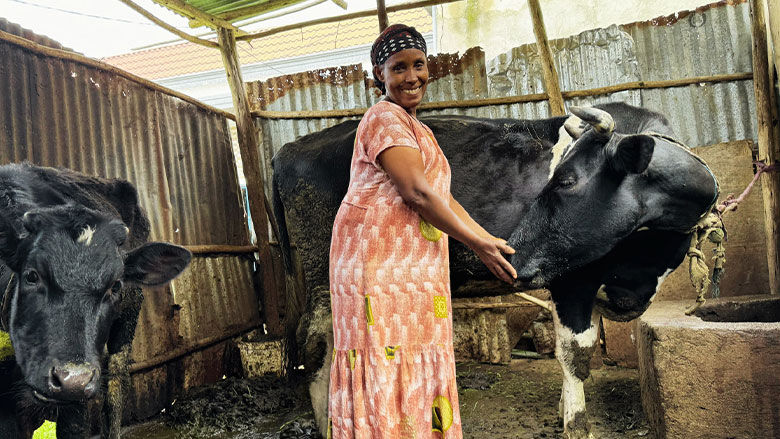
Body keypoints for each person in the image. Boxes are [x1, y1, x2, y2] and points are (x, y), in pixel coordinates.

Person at [328, 24, 517, 438]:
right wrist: (477, 243)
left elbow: (441, 196)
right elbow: (416, 192)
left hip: (409, 267)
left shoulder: (420, 129)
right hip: (378, 265)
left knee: (411, 353)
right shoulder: (383, 118)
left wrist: (485, 239)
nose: (411, 77)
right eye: (399, 68)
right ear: (379, 74)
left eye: (418, 65)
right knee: (383, 354)